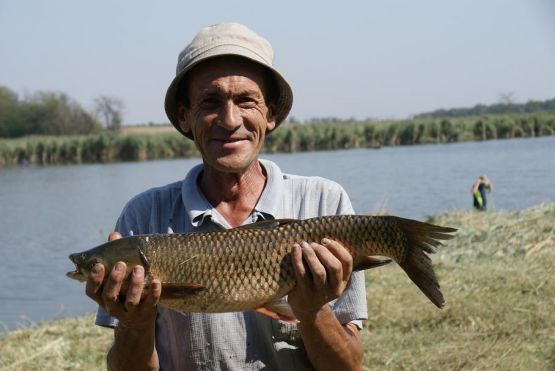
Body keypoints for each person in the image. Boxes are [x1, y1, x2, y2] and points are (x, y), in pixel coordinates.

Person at [85, 22, 367, 370]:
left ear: (271, 114)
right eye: (210, 102)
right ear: (185, 117)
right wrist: (134, 323)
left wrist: (312, 312)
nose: (230, 120)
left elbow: (350, 367)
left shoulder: (324, 203)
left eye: (247, 100)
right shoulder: (143, 217)